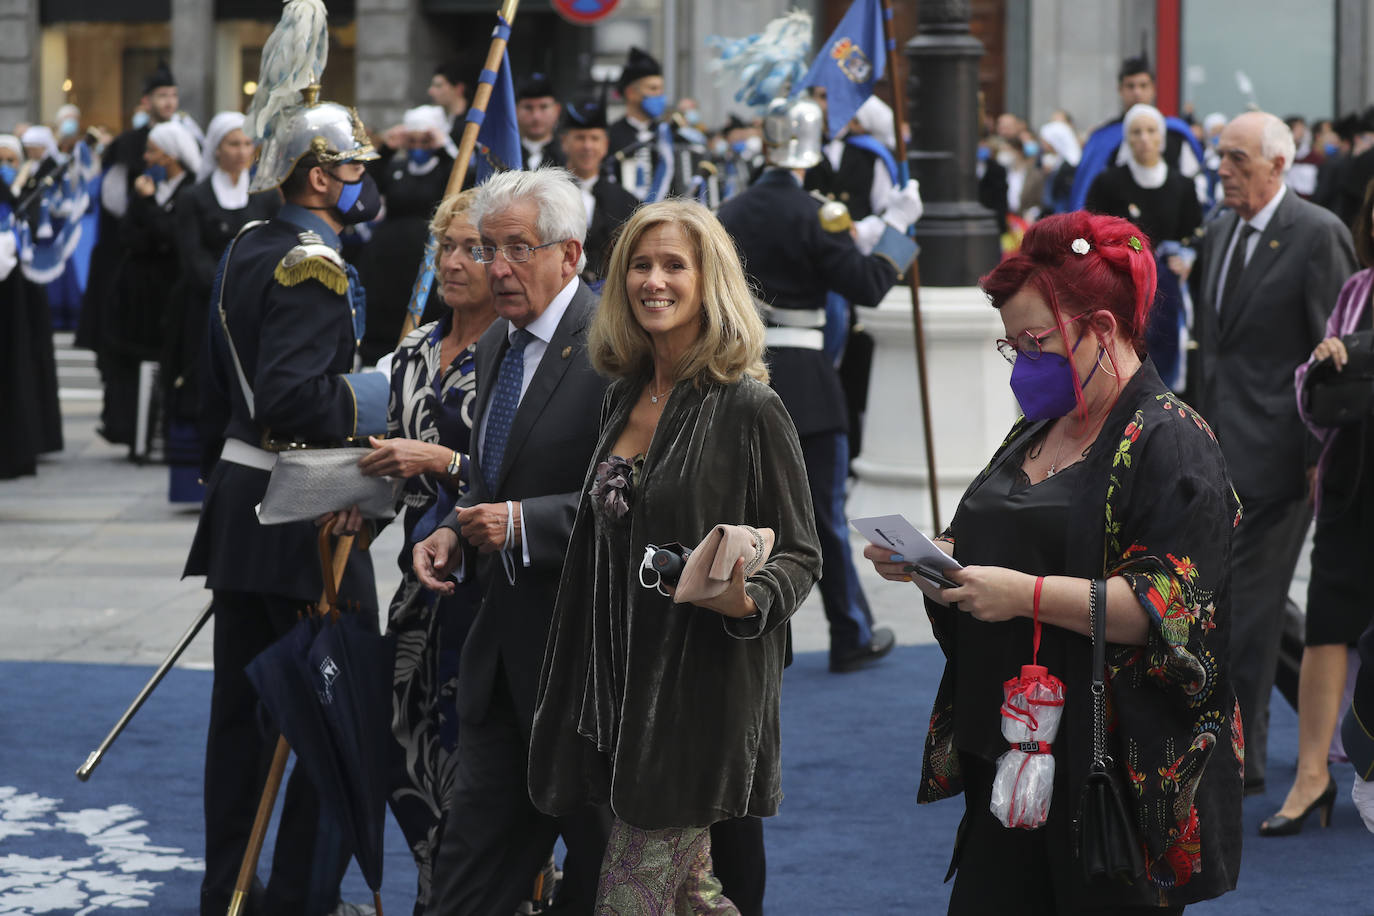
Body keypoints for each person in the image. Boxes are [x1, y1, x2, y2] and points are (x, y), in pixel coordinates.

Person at [866, 210, 1243, 911]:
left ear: (1100, 328)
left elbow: (1165, 610)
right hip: (1009, 746)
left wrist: (1024, 596)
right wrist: (933, 558)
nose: (1023, 361)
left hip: (1109, 771)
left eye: (1035, 341)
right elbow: (990, 534)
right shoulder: (1039, 426)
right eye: (1012, 346)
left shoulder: (1172, 440)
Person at [527, 198, 822, 912]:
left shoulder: (749, 406)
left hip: (697, 702)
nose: (653, 281)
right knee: (692, 897)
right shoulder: (622, 395)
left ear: (708, 280)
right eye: (639, 264)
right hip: (611, 698)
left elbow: (803, 554)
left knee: (629, 899)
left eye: (673, 265)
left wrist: (747, 596)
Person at [182, 77, 389, 915]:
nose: (364, 181)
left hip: (244, 507)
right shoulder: (312, 265)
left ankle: (226, 888)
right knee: (342, 724)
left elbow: (216, 393)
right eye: (352, 167)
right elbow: (295, 401)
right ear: (316, 178)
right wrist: (383, 391)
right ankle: (302, 899)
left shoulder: (247, 245)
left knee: (243, 721)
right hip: (305, 514)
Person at [411, 168, 612, 916]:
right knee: (466, 876)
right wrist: (449, 533)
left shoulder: (613, 346)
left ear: (570, 254)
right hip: (499, 665)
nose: (496, 268)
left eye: (516, 248)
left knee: (605, 874)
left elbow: (640, 497)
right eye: (487, 248)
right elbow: (488, 479)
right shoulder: (498, 344)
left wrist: (527, 523)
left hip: (582, 671)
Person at [717, 93, 919, 675]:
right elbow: (870, 284)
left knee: (743, 510)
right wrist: (899, 231)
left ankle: (743, 627)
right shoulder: (819, 213)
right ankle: (849, 632)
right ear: (808, 149)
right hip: (805, 378)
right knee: (823, 516)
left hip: (740, 371)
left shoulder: (729, 211)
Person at [1192, 110, 1357, 795]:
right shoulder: (1220, 229)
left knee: (1242, 614)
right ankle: (1349, 729)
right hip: (1219, 455)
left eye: (1236, 158)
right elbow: (1212, 347)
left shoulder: (1319, 236)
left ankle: (1242, 765)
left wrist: (1322, 455)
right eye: (1220, 156)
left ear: (1279, 166)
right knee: (1263, 611)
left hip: (1287, 460)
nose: (1221, 169)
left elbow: (1338, 354)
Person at [357, 189, 496, 909]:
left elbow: (530, 471)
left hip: (494, 591)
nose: (453, 261)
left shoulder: (517, 351)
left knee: (479, 769)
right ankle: (433, 894)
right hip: (420, 594)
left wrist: (440, 460)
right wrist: (353, 506)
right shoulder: (412, 349)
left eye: (473, 248)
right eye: (446, 246)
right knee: (407, 757)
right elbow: (384, 467)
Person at [1266, 176, 1374, 836]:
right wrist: (1326, 364)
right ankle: (1312, 776)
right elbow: (1309, 392)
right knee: (1328, 625)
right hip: (1351, 480)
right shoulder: (1357, 289)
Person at [166, 111, 279, 502]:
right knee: (206, 389)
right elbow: (191, 255)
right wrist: (225, 287)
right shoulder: (193, 198)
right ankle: (205, 474)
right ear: (216, 149)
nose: (242, 151)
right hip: (204, 308)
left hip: (254, 311)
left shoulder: (265, 196)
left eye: (247, 143)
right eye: (234, 143)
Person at [1086, 103, 1202, 390]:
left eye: (1151, 131)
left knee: (1165, 348)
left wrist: (1186, 258)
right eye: (1136, 132)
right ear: (1127, 138)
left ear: (1162, 137)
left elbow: (1196, 233)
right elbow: (1093, 228)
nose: (1144, 139)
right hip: (1123, 283)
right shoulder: (1109, 181)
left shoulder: (1182, 185)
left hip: (1167, 288)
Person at [104, 119, 201, 461]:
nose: (147, 158)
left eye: (154, 151)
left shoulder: (190, 189)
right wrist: (146, 214)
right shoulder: (144, 187)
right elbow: (130, 235)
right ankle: (131, 432)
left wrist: (148, 211)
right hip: (138, 291)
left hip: (168, 290)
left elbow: (172, 236)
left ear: (171, 156)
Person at [358, 104, 456, 364]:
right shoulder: (397, 168)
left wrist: (445, 148)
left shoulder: (446, 169)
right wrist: (388, 149)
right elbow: (368, 182)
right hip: (386, 261)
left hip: (427, 258)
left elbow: (464, 180)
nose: (418, 147)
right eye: (412, 141)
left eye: (424, 141)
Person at [1068, 55, 1204, 212]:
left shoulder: (1175, 135)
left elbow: (1193, 183)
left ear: (1153, 88)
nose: (1137, 92)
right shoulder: (1103, 138)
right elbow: (1090, 191)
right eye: (1130, 86)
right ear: (1120, 89)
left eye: (1143, 85)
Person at [559, 98, 639, 286]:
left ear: (606, 144)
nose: (587, 146)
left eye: (595, 138)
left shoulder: (626, 201)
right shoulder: (547, 195)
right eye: (580, 138)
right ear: (564, 142)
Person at [516, 74, 565, 171]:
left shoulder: (569, 155)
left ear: (557, 110)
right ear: (515, 110)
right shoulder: (503, 155)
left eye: (544, 107)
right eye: (528, 107)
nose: (536, 116)